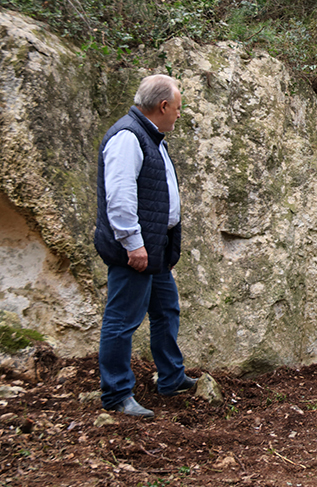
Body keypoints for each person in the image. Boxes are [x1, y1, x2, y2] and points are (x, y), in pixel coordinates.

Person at [94, 74, 196, 418]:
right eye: (178, 108)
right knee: (122, 320)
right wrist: (133, 244)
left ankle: (171, 378)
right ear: (163, 106)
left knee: (166, 311)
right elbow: (119, 199)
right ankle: (117, 394)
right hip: (136, 249)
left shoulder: (152, 137)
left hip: (156, 247)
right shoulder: (128, 137)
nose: (179, 115)